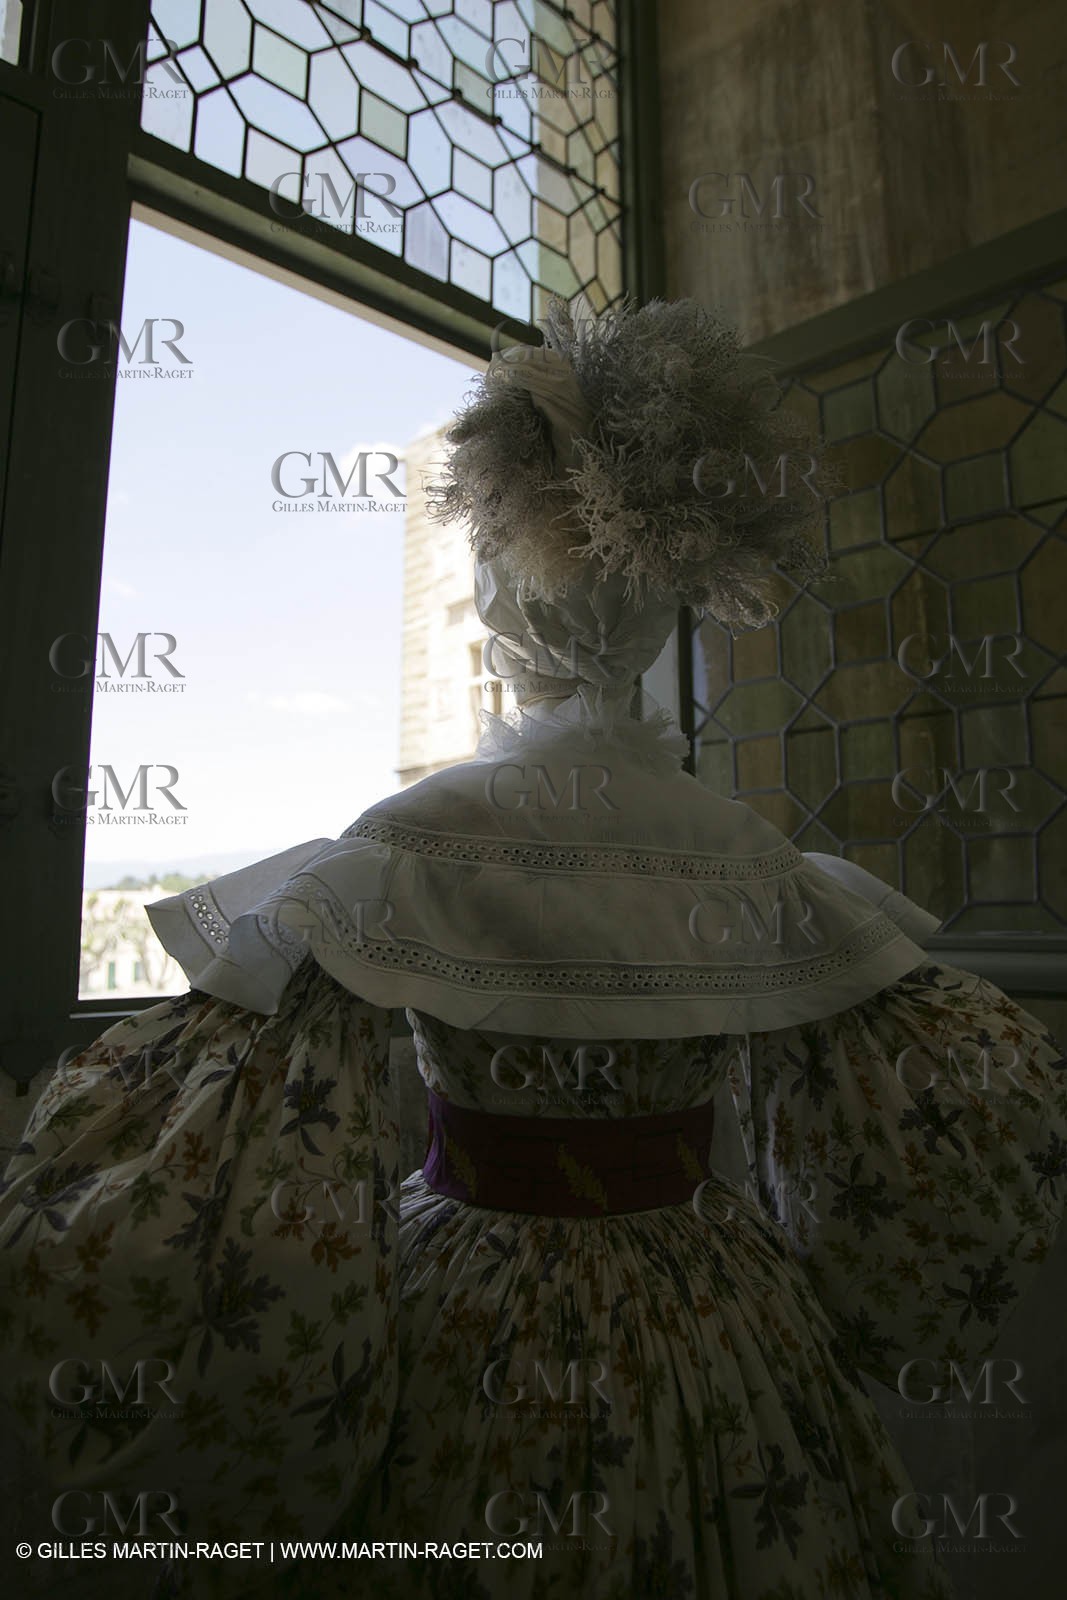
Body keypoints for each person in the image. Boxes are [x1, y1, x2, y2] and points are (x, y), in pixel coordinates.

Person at [2, 297, 1064, 1600]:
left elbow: (217, 1178)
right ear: (658, 599)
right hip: (717, 1317)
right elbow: (960, 1132)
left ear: (505, 601)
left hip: (468, 1306)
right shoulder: (743, 850)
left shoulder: (417, 840)